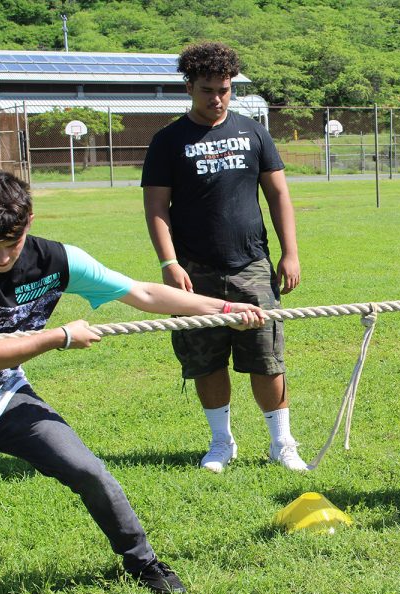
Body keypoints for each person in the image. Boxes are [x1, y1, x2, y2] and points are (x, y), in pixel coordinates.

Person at [0, 172, 269, 594]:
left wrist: (220, 305)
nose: (0, 257)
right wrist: (61, 337)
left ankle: (142, 562)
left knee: (89, 471)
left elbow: (142, 294)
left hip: (2, 401)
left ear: (29, 220)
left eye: (10, 244)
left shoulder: (58, 260)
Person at [142, 42, 307, 473]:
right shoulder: (167, 141)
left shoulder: (253, 131)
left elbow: (278, 194)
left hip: (252, 265)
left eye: (225, 90)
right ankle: (221, 443)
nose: (217, 98)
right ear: (189, 87)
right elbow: (157, 207)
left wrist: (290, 252)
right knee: (205, 360)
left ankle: (282, 443)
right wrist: (169, 263)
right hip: (194, 273)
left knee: (265, 358)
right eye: (207, 89)